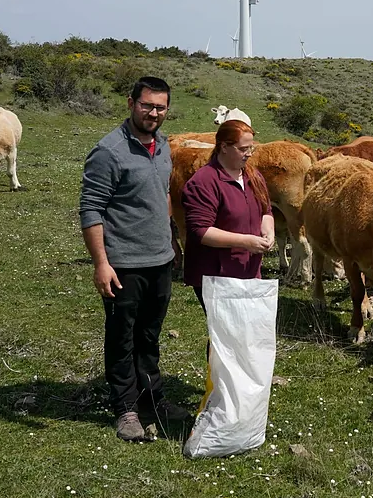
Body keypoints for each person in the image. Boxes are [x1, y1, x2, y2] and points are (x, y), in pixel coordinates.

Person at [79, 75, 190, 443]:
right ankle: (126, 408)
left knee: (149, 335)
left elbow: (162, 198)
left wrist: (172, 240)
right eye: (147, 105)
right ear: (131, 103)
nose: (153, 112)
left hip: (159, 260)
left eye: (160, 107)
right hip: (124, 263)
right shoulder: (109, 151)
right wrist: (101, 263)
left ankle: (151, 399)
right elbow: (92, 209)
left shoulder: (163, 146)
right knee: (122, 337)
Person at [179, 119, 275, 309]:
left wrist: (268, 231)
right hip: (217, 273)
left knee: (243, 330)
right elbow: (201, 232)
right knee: (226, 331)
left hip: (248, 267)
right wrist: (246, 241)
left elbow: (266, 211)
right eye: (243, 149)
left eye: (251, 149)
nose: (249, 154)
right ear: (224, 147)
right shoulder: (204, 181)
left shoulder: (253, 176)